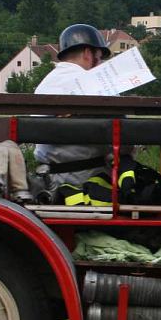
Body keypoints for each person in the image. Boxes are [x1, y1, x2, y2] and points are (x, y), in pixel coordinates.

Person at [34, 24, 114, 201]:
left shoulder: (44, 85)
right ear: (87, 53)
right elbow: (123, 141)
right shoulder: (97, 84)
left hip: (49, 178)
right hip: (87, 180)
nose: (100, 64)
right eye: (99, 58)